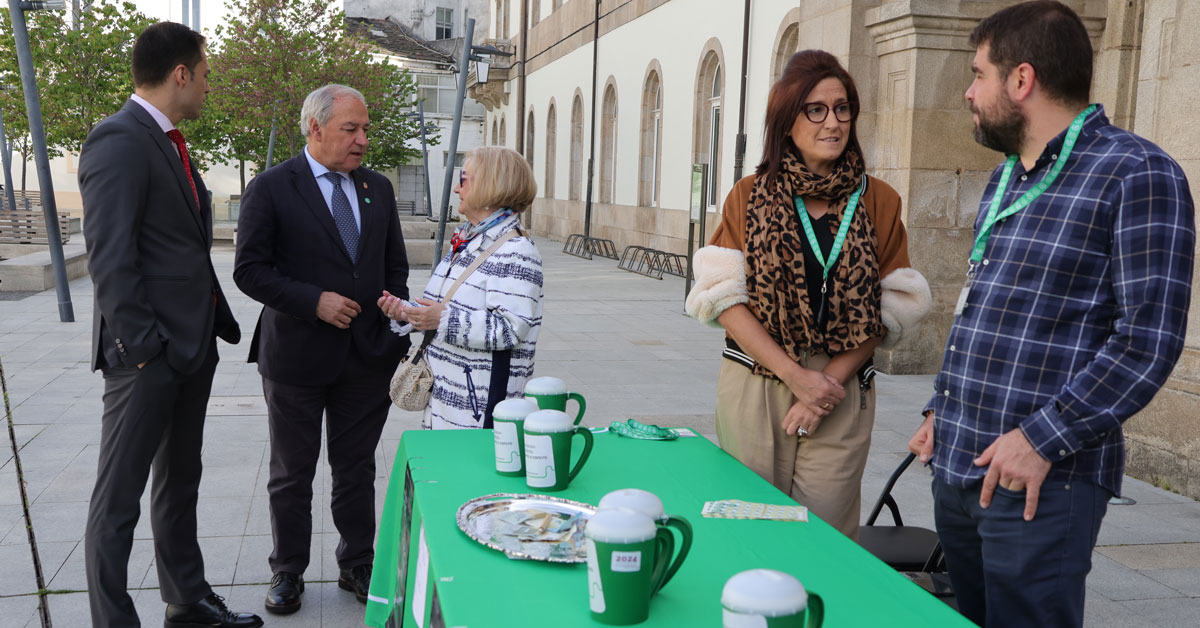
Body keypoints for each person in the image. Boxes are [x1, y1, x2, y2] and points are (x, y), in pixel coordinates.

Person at [907, 2, 1195, 626]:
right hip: (960, 463)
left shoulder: (1137, 173)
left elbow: (1147, 341)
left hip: (1041, 481)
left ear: (1022, 80)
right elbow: (985, 306)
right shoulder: (1008, 176)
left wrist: (1041, 439)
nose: (967, 92)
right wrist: (941, 406)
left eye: (977, 74)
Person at [686, 50, 930, 540]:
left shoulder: (879, 199)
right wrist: (795, 377)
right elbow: (724, 299)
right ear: (787, 119)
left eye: (842, 108)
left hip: (840, 387)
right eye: (815, 109)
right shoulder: (749, 195)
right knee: (750, 528)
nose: (833, 122)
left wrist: (821, 391)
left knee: (826, 536)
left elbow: (890, 309)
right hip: (758, 378)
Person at [79, 22, 261, 628]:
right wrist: (142, 348)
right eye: (206, 74)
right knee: (118, 501)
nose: (209, 86)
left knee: (180, 480)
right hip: (147, 357)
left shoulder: (170, 141)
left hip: (190, 346)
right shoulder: (118, 139)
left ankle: (187, 601)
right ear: (180, 74)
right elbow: (110, 258)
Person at [233, 84, 411, 614]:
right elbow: (249, 271)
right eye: (350, 129)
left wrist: (391, 315)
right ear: (315, 127)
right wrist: (314, 302)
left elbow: (393, 265)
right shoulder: (270, 188)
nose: (362, 140)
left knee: (356, 467)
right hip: (296, 358)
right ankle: (287, 570)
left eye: (365, 128)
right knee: (292, 471)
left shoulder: (377, 187)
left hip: (366, 358)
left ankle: (358, 562)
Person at [380, 145, 543, 429]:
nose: (457, 189)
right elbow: (446, 307)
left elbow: (510, 328)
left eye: (464, 179)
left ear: (490, 186)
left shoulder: (516, 250)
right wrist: (408, 313)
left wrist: (440, 319)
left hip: (479, 409)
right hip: (447, 396)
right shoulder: (470, 239)